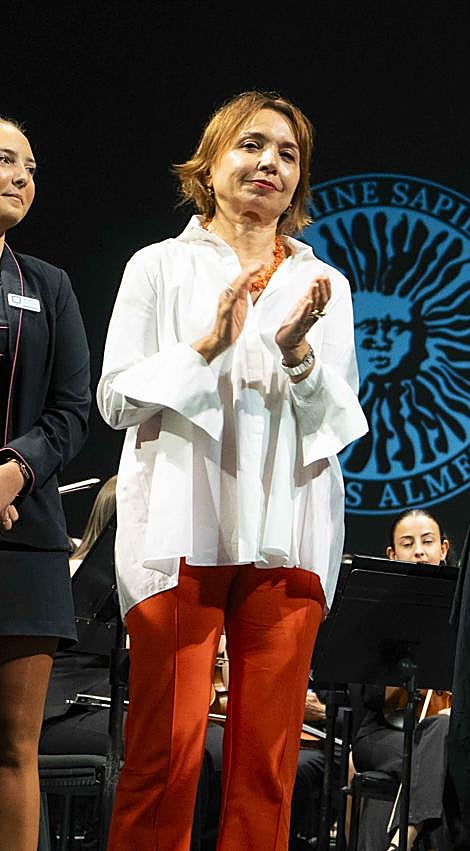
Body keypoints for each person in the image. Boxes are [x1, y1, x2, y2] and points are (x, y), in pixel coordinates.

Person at [98, 91, 367, 849]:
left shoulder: (326, 285)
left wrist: (297, 352)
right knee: (166, 757)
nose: (268, 164)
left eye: (287, 154)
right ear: (210, 163)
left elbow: (337, 424)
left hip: (291, 534)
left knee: (268, 766)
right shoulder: (158, 266)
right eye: (251, 146)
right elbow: (115, 399)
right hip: (176, 535)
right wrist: (207, 348)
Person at [0, 115, 91, 851]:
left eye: (30, 165)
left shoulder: (49, 286)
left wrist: (12, 472)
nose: (21, 176)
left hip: (23, 542)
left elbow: (71, 412)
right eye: (4, 160)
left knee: (12, 749)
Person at [353, 509, 454, 851]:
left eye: (427, 542)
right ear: (392, 555)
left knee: (440, 739)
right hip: (384, 734)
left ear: (444, 549)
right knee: (433, 760)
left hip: (437, 731)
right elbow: (372, 698)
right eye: (408, 544)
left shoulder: (466, 606)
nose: (419, 552)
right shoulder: (376, 610)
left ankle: (399, 842)